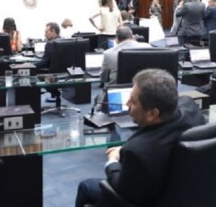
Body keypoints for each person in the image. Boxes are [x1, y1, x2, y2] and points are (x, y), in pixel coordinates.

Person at [75, 69, 205, 206]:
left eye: (133, 101)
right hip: (181, 192)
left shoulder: (137, 151)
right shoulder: (190, 107)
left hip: (147, 199)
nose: (127, 104)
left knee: (86, 186)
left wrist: (112, 162)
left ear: (152, 114)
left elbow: (122, 189)